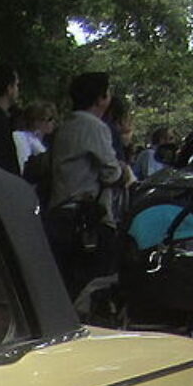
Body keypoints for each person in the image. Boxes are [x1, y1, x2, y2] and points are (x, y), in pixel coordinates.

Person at [46, 72, 129, 297]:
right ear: (100, 98)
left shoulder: (66, 125)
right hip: (85, 219)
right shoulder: (94, 126)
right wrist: (123, 171)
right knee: (90, 282)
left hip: (59, 213)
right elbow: (111, 173)